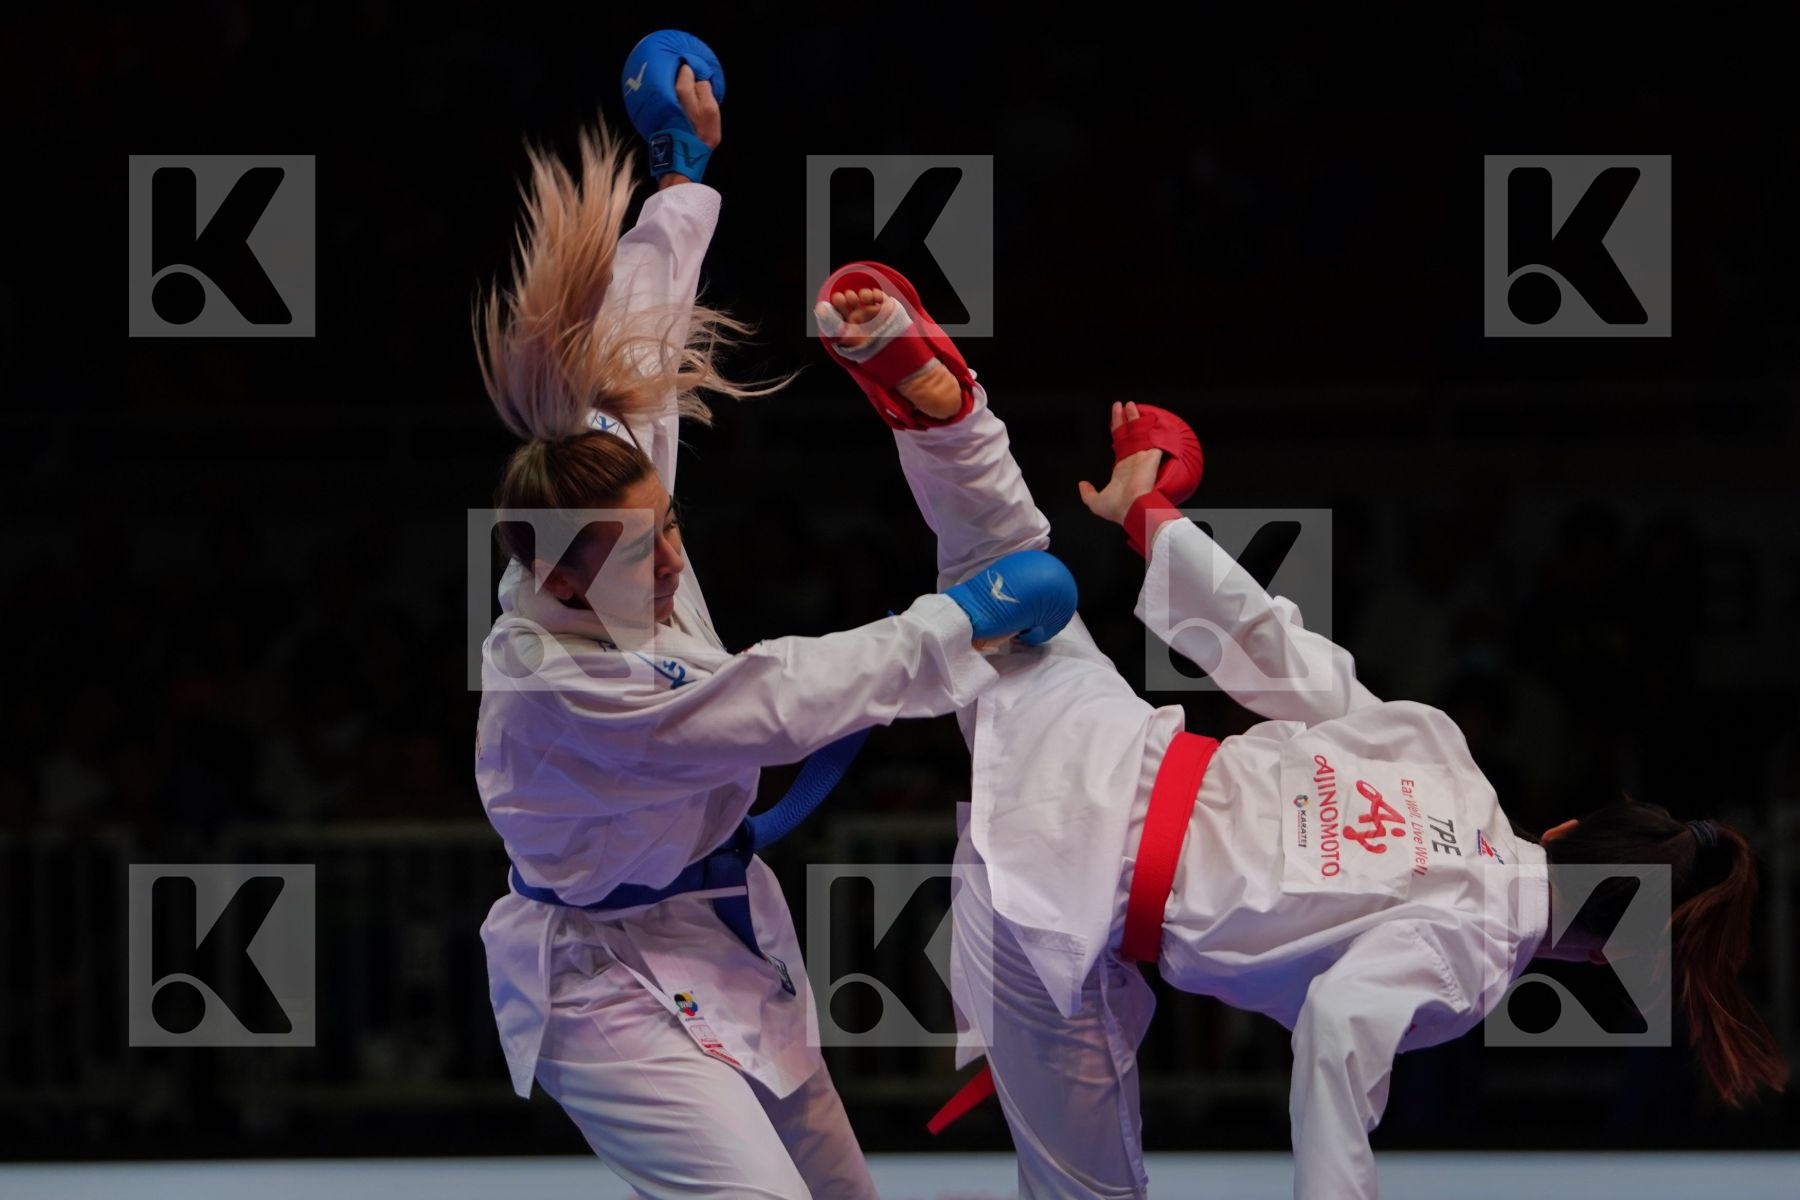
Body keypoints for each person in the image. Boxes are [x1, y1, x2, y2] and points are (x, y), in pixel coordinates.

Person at [814, 267, 1788, 1200]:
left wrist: (1153, 520)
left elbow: (1272, 652)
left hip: (1109, 742)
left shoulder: (1441, 755)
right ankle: (943, 420)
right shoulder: (1472, 957)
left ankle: (951, 417)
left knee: (1007, 555)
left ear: (1571, 830)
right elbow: (1334, 1029)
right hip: (1059, 900)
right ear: (1605, 954)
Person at [470, 34, 1077, 1199]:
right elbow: (787, 698)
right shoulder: (560, 685)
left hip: (715, 926)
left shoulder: (593, 499)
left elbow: (635, 348)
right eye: (644, 563)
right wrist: (968, 616)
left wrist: (681, 183)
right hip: (599, 986)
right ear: (548, 579)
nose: (673, 564)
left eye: (671, 534)